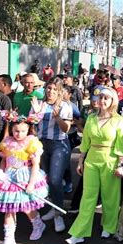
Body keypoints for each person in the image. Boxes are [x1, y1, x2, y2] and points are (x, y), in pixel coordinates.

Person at [66, 87, 123, 244]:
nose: (102, 100)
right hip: (92, 160)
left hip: (111, 160)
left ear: (112, 101)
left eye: (106, 98)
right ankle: (79, 232)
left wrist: (121, 165)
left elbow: (121, 145)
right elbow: (85, 142)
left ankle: (109, 227)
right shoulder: (91, 118)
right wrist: (80, 161)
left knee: (110, 196)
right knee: (88, 197)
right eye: (101, 97)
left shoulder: (118, 120)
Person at [0, 111, 49, 244]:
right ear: (11, 129)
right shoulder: (7, 142)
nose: (19, 134)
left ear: (28, 130)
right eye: (16, 130)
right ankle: (9, 240)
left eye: (23, 131)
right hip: (9, 177)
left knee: (26, 207)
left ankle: (38, 224)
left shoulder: (32, 143)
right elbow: (4, 160)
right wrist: (1, 173)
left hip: (25, 176)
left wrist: (31, 183)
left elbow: (35, 165)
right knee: (9, 208)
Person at [30, 77, 73, 233]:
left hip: (58, 145)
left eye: (55, 89)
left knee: (55, 179)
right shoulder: (39, 104)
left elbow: (66, 129)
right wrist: (34, 115)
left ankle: (58, 214)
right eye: (49, 88)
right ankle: (52, 207)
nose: (51, 92)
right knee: (46, 178)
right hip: (41, 144)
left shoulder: (64, 106)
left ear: (60, 91)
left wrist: (57, 117)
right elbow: (33, 126)